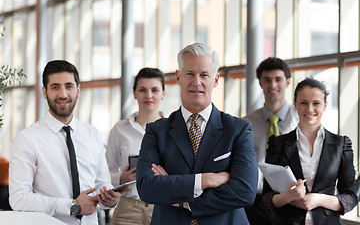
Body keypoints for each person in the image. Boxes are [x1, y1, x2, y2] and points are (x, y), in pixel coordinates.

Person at [136, 42, 258, 225]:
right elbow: (147, 188)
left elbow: (245, 192)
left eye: (204, 75)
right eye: (190, 74)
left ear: (216, 80)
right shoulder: (156, 131)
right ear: (178, 77)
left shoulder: (238, 130)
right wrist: (205, 180)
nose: (197, 82)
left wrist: (184, 199)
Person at [9, 60, 128, 225]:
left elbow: (102, 182)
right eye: (55, 87)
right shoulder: (26, 139)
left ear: (78, 90)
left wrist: (110, 199)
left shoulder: (92, 134)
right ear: (45, 92)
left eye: (69, 86)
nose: (63, 94)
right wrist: (73, 206)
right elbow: (18, 198)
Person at [263, 77, 358, 225]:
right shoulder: (277, 143)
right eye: (303, 103)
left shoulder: (341, 144)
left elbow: (351, 198)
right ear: (295, 104)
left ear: (325, 105)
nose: (309, 109)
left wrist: (319, 199)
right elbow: (267, 198)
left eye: (316, 103)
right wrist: (287, 196)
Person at [106, 67, 166, 225]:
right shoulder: (120, 129)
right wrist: (121, 178)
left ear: (163, 93)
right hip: (127, 210)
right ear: (134, 93)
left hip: (163, 208)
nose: (149, 95)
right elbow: (104, 173)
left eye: (154, 90)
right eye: (142, 90)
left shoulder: (174, 130)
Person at [244, 57, 299, 224]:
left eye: (278, 79)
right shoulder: (247, 123)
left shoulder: (301, 120)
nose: (272, 85)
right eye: (266, 80)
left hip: (291, 199)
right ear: (260, 83)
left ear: (288, 82)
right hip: (256, 201)